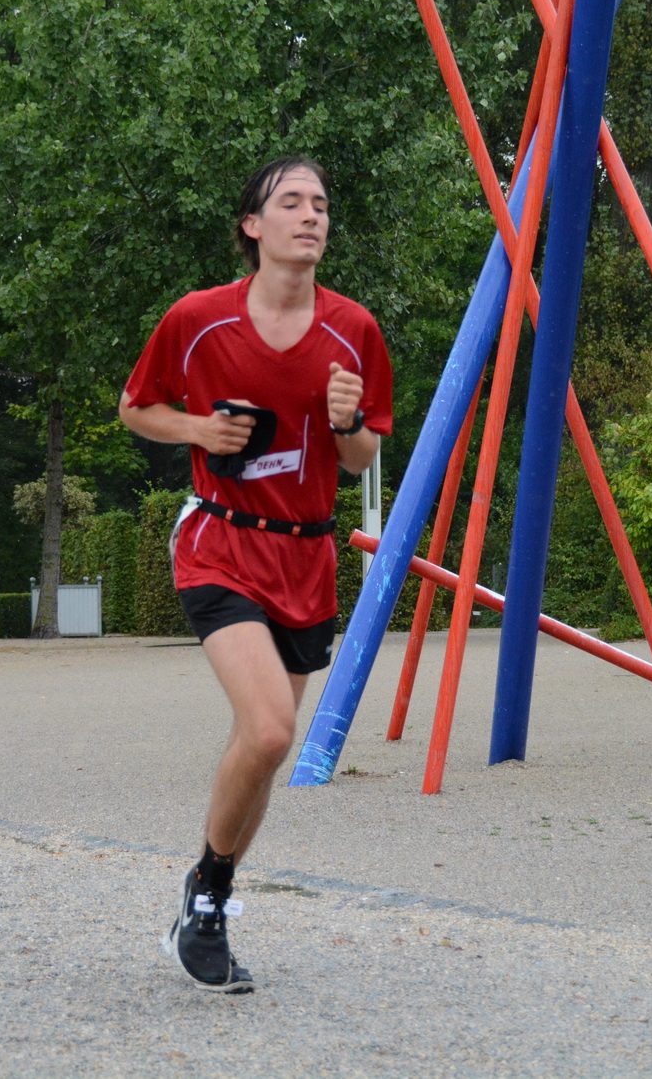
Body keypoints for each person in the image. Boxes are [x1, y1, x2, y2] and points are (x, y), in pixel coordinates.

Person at [118, 157, 392, 993]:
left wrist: (346, 421)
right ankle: (207, 898)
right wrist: (200, 429)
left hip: (307, 556)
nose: (312, 216)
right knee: (272, 728)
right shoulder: (198, 320)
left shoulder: (356, 332)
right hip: (221, 542)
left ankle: (209, 900)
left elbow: (359, 459)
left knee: (262, 747)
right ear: (253, 225)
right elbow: (137, 406)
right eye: (292, 202)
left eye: (321, 204)